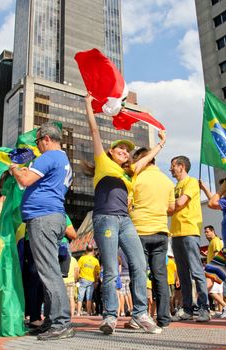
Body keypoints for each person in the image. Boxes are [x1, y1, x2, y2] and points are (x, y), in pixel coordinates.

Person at [84, 94, 166, 334]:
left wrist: (161, 143)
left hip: (126, 221)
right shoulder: (102, 162)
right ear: (111, 152)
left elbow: (145, 159)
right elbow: (94, 132)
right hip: (105, 219)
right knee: (110, 269)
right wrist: (89, 104)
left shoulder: (130, 173)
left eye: (127, 150)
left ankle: (140, 314)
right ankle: (109, 317)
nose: (124, 150)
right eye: (120, 148)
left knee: (140, 265)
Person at [9, 122, 74, 341]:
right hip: (52, 217)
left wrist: (14, 168)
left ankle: (61, 322)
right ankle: (52, 321)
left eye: (38, 142)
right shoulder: (63, 160)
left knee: (48, 271)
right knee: (48, 270)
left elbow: (26, 180)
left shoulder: (49, 156)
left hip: (43, 217)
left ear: (46, 138)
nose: (37, 147)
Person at [129, 148, 175, 329]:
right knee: (160, 277)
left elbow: (128, 204)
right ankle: (164, 319)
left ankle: (139, 315)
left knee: (138, 274)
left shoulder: (137, 178)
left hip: (140, 231)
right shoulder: (167, 181)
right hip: (161, 233)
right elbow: (171, 208)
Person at [169, 156, 210, 322]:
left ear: (181, 166)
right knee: (183, 275)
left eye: (173, 166)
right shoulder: (174, 186)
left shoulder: (191, 182)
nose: (171, 169)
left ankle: (204, 309)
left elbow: (179, 204)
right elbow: (173, 206)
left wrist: (163, 208)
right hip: (176, 234)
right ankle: (187, 309)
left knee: (197, 271)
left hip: (189, 231)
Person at [200, 178, 226, 318]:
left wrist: (221, 189)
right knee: (210, 275)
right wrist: (205, 188)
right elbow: (214, 201)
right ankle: (201, 305)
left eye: (225, 188)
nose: (222, 192)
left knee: (212, 276)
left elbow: (213, 203)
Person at [77, 244, 100, 316]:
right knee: (89, 298)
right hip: (91, 280)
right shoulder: (95, 260)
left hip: (83, 279)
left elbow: (77, 269)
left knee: (80, 296)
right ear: (93, 251)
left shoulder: (82, 258)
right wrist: (96, 282)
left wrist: (77, 279)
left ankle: (78, 312)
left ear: (86, 250)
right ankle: (88, 312)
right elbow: (97, 273)